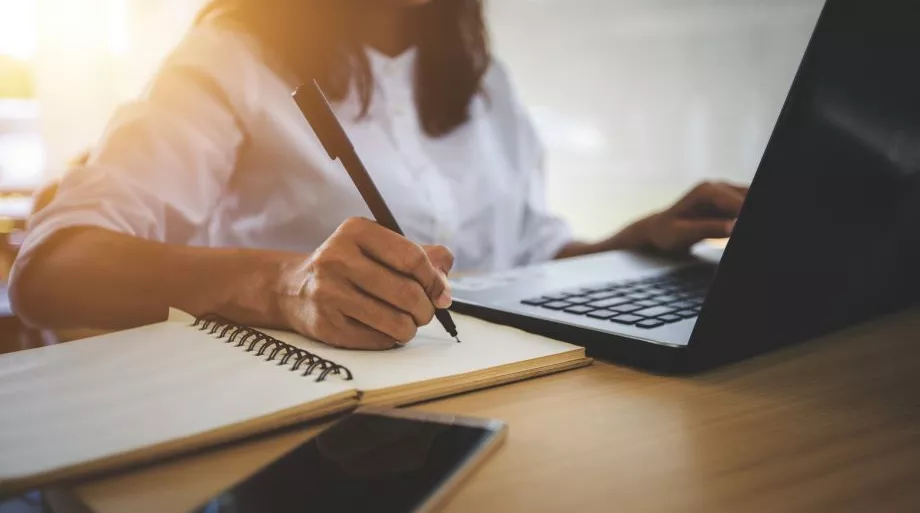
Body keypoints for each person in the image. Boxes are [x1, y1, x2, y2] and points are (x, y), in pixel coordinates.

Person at [9, 0, 747, 350]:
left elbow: (520, 257)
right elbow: (48, 269)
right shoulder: (229, 57)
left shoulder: (482, 81)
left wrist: (642, 238)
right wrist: (284, 285)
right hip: (317, 437)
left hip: (503, 396)